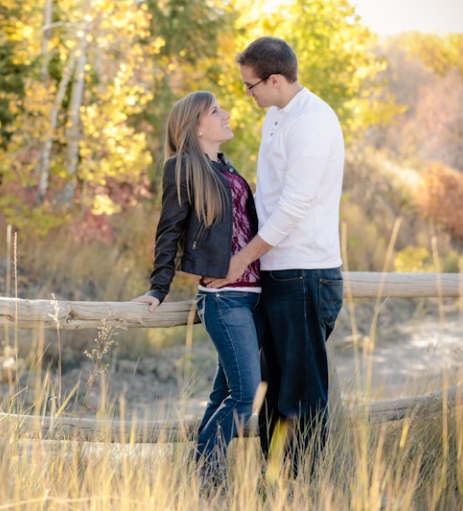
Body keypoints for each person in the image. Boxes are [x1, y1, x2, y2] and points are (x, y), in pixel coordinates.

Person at [205, 36, 345, 472]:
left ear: (276, 79)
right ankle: (274, 487)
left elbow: (293, 208)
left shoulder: (312, 123)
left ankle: (300, 490)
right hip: (277, 270)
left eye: (251, 86)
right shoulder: (277, 114)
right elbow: (266, 198)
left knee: (300, 394)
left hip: (305, 272)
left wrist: (241, 260)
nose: (248, 95)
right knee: (273, 387)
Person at [131, 91, 262, 485]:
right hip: (225, 300)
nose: (226, 114)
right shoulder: (183, 167)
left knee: (223, 395)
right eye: (215, 111)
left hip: (254, 296)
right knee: (246, 395)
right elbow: (169, 230)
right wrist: (158, 289)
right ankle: (203, 476)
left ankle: (196, 481)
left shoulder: (226, 167)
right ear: (196, 126)